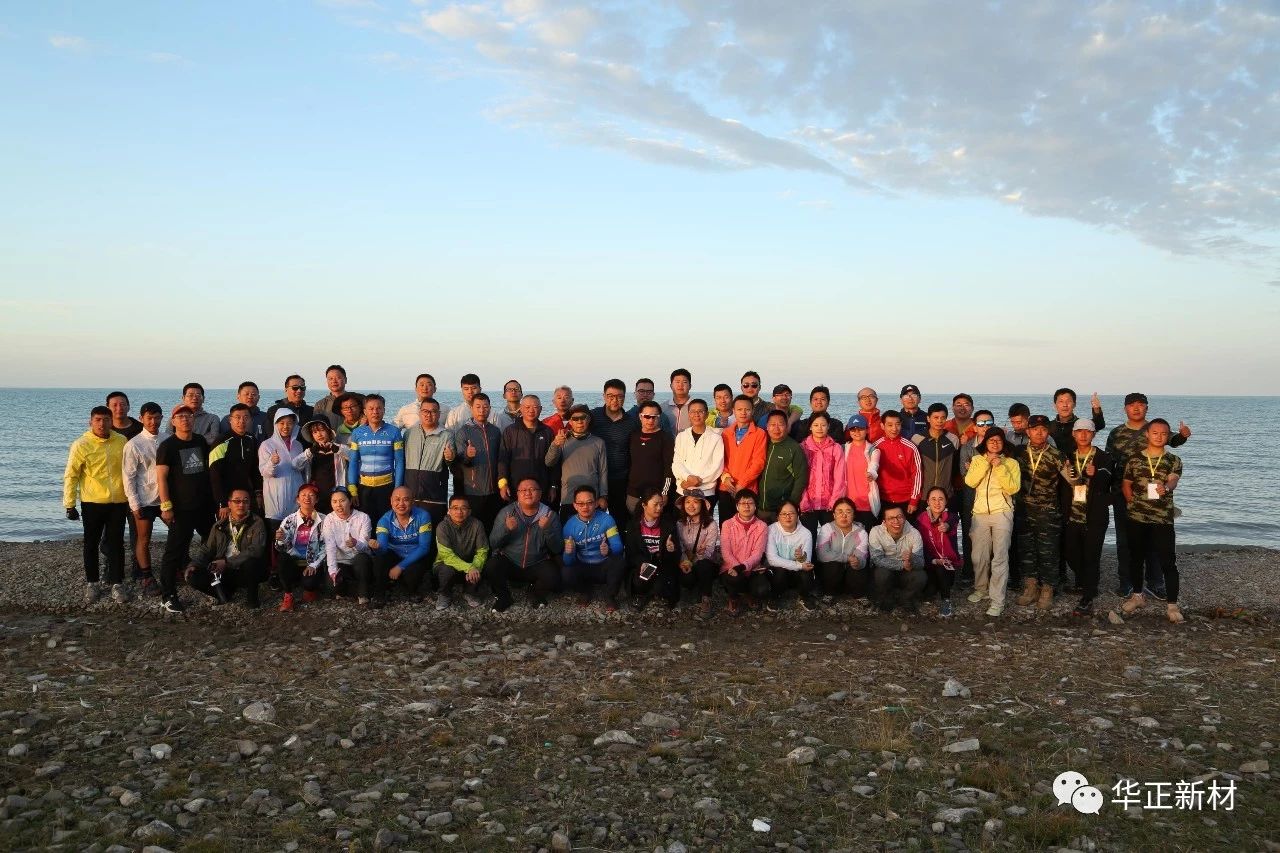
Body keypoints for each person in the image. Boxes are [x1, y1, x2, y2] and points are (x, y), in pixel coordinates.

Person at [1105, 392, 1191, 598]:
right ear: (1125, 408)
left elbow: (1174, 440)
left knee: (1154, 542)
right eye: (1131, 405)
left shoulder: (1155, 428)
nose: (1136, 408)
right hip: (1124, 493)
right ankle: (1126, 583)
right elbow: (1109, 462)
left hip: (1155, 497)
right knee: (1125, 541)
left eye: (1141, 404)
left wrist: (1183, 435)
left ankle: (1155, 583)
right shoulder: (1116, 433)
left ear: (1147, 408)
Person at [1119, 419, 1186, 624]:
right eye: (1155, 433)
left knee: (1168, 561)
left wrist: (1166, 487)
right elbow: (1126, 483)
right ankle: (1137, 596)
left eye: (1164, 433)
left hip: (1162, 518)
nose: (1159, 437)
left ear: (1168, 436)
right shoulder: (1134, 459)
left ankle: (1172, 605)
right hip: (1137, 517)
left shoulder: (1173, 459)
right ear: (1147, 434)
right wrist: (1131, 503)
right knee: (1136, 558)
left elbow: (1173, 480)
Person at [64, 406, 130, 605]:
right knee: (91, 543)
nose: (102, 424)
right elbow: (71, 475)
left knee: (116, 543)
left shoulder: (121, 441)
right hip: (92, 502)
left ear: (112, 422)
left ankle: (117, 583)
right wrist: (69, 504)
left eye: (106, 420)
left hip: (118, 502)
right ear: (91, 422)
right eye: (98, 420)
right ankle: (92, 583)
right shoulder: (81, 444)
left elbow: (129, 470)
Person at [155, 405, 216, 614]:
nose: (185, 419)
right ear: (173, 421)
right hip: (181, 508)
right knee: (174, 551)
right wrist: (166, 506)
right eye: (180, 416)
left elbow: (207, 470)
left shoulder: (200, 441)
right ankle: (168, 595)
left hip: (203, 506)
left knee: (212, 542)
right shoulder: (167, 446)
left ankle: (209, 583)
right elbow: (161, 478)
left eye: (188, 416)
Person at [1058, 419, 1114, 616]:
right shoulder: (1067, 456)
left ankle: (1088, 595)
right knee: (1070, 553)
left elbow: (1110, 480)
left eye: (1088, 431)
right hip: (1072, 515)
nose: (1083, 435)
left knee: (1091, 556)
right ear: (1073, 434)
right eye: (1079, 431)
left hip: (1094, 516)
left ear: (1094, 434)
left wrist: (1096, 474)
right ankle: (1085, 582)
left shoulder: (1104, 457)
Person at [963, 427, 1021, 617]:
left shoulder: (1011, 463)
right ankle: (981, 588)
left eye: (998, 440)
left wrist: (999, 467)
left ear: (1004, 443)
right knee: (978, 556)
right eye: (991, 440)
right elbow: (970, 482)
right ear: (985, 443)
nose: (995, 443)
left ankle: (998, 600)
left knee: (1000, 557)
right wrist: (986, 463)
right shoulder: (977, 460)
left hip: (1002, 513)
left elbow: (1013, 488)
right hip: (980, 514)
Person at [487, 479, 563, 611]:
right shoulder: (506, 512)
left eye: (532, 489)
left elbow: (557, 548)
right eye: (523, 490)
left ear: (540, 494)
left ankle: (535, 592)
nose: (527, 493)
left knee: (553, 577)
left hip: (536, 561)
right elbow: (493, 543)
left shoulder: (550, 515)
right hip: (510, 561)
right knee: (491, 566)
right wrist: (506, 529)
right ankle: (504, 597)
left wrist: (548, 530)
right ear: (517, 494)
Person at [184, 488, 268, 608]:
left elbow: (256, 549)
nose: (241, 505)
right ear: (229, 504)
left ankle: (252, 599)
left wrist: (227, 562)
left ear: (249, 504)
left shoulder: (256, 522)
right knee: (192, 575)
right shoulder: (219, 525)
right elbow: (207, 549)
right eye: (237, 501)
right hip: (223, 570)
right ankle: (223, 593)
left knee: (251, 562)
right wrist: (193, 564)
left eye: (245, 501)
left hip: (243, 569)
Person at [1015, 415, 1065, 610]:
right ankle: (1031, 587)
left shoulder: (1057, 455)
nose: (1039, 433)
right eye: (1035, 429)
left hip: (1048, 511)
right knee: (1026, 549)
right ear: (1028, 431)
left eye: (1043, 429)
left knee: (1048, 551)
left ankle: (1047, 589)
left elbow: (1073, 480)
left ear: (1048, 432)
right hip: (1023, 509)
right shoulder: (1019, 453)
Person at [560, 485, 626, 609]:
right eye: (580, 504)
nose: (585, 507)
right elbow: (568, 562)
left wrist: (609, 550)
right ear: (575, 505)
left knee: (619, 561)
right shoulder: (569, 526)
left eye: (589, 503)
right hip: (583, 565)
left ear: (596, 503)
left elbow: (618, 546)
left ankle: (610, 596)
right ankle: (585, 591)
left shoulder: (607, 520)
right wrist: (569, 553)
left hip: (603, 565)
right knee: (566, 572)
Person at [122, 401, 164, 595]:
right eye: (149, 418)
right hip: (144, 498)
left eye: (157, 417)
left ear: (162, 418)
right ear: (141, 419)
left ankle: (178, 566)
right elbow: (128, 476)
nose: (153, 422)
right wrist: (134, 503)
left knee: (179, 531)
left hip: (165, 498)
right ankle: (147, 576)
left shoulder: (167, 438)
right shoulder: (134, 444)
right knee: (143, 538)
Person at [368, 486, 434, 605]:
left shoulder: (423, 516)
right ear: (391, 501)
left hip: (415, 554)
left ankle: (412, 590)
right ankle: (380, 593)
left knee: (413, 573)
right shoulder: (384, 520)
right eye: (397, 499)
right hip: (394, 554)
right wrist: (376, 548)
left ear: (412, 501)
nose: (401, 504)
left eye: (406, 499)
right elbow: (383, 549)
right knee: (379, 560)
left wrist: (400, 566)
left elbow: (424, 548)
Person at [347, 394, 405, 525]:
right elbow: (353, 461)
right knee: (365, 524)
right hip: (364, 488)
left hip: (387, 487)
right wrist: (352, 488)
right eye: (371, 408)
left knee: (386, 523)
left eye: (379, 408)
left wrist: (397, 489)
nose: (375, 412)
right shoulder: (357, 433)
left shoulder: (394, 432)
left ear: (384, 410)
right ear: (364, 411)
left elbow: (400, 462)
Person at [545, 404, 609, 521]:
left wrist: (603, 496)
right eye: (575, 418)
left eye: (583, 418)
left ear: (588, 419)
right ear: (570, 421)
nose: (579, 421)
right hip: (569, 498)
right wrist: (555, 444)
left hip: (592, 499)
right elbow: (549, 462)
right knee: (568, 531)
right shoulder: (562, 440)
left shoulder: (599, 443)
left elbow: (603, 471)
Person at [591, 379, 640, 530]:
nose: (615, 400)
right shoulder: (593, 416)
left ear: (624, 398)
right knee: (594, 519)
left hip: (620, 478)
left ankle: (619, 545)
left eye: (619, 396)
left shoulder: (631, 422)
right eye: (610, 396)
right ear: (604, 396)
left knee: (620, 520)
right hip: (595, 477)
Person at [453, 393, 505, 532]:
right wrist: (468, 455)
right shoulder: (463, 432)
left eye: (485, 406)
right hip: (473, 491)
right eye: (478, 406)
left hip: (494, 490)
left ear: (490, 408)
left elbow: (501, 459)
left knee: (493, 527)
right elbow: (460, 461)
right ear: (471, 408)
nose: (482, 410)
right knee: (474, 529)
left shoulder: (495, 431)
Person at [402, 398, 454, 532]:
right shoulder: (409, 433)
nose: (429, 415)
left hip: (434, 496)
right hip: (410, 493)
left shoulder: (446, 435)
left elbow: (451, 463)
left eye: (433, 411)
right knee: (410, 531)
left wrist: (450, 457)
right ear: (420, 413)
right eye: (425, 411)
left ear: (439, 414)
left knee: (433, 531)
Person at [624, 488, 680, 610]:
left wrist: (670, 550)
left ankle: (652, 593)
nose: (659, 508)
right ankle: (645, 594)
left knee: (661, 585)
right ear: (644, 505)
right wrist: (642, 562)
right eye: (655, 504)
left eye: (661, 504)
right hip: (646, 564)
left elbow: (676, 557)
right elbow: (630, 554)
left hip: (662, 564)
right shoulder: (633, 525)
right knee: (640, 581)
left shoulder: (668, 524)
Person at [259, 409, 310, 539]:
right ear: (275, 424)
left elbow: (301, 470)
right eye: (281, 423)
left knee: (296, 538)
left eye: (289, 423)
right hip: (276, 500)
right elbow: (264, 472)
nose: (286, 426)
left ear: (294, 425)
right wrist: (272, 462)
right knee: (278, 539)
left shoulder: (298, 445)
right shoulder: (267, 445)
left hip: (296, 499)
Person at [718, 489, 769, 616]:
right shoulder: (727, 524)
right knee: (734, 578)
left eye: (750, 503)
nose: (746, 506)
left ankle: (748, 594)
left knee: (762, 590)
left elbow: (758, 554)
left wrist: (743, 567)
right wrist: (737, 567)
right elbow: (726, 552)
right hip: (731, 568)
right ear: (737, 506)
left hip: (752, 568)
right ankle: (733, 598)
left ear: (755, 506)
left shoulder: (762, 526)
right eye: (742, 503)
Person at [434, 495, 489, 610]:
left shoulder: (477, 525)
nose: (459, 512)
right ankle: (444, 594)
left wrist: (474, 567)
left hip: (469, 563)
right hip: (445, 565)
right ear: (449, 511)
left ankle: (469, 592)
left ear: (469, 511)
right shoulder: (442, 527)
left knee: (482, 563)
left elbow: (482, 550)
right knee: (446, 570)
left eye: (464, 508)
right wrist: (469, 568)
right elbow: (447, 556)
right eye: (455, 508)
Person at [718, 395, 767, 523]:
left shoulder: (759, 434)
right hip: (726, 487)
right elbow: (720, 459)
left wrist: (742, 484)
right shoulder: (726, 433)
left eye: (747, 409)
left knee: (747, 525)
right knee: (726, 526)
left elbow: (759, 463)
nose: (743, 413)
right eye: (739, 409)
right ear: (733, 411)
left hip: (748, 489)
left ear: (753, 410)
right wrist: (725, 477)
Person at [209, 404, 264, 518]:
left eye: (246, 417)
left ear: (251, 420)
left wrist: (258, 493)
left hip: (247, 495)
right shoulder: (221, 441)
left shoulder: (251, 439)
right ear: (230, 420)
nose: (242, 421)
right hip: (227, 497)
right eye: (237, 417)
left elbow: (255, 469)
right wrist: (222, 503)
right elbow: (214, 474)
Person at [868, 506, 926, 612]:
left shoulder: (914, 533)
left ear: (904, 518)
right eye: (891, 518)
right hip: (886, 570)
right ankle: (886, 598)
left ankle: (905, 598)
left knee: (921, 576)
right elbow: (877, 559)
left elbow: (921, 562)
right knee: (881, 574)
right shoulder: (876, 531)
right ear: (884, 522)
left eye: (899, 517)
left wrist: (912, 559)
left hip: (906, 572)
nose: (896, 521)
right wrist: (901, 565)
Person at [321, 488, 373, 605]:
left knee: (362, 559)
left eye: (342, 501)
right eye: (334, 501)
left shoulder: (363, 517)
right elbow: (330, 547)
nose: (338, 505)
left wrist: (355, 543)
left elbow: (365, 545)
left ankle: (363, 593)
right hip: (341, 561)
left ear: (350, 501)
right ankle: (349, 588)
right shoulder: (329, 519)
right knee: (331, 587)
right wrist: (333, 571)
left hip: (359, 559)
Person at [498, 394, 555, 502]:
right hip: (516, 488)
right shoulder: (510, 431)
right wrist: (503, 484)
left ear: (541, 409)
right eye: (527, 407)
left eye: (535, 407)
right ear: (521, 408)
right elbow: (503, 460)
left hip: (542, 487)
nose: (531, 410)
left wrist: (553, 486)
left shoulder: (547, 432)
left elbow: (554, 463)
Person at [914, 486, 960, 617]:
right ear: (927, 502)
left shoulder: (950, 517)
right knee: (928, 593)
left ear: (946, 501)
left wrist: (947, 526)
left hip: (946, 565)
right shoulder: (921, 519)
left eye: (941, 499)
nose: (937, 502)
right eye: (933, 499)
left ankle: (946, 601)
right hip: (929, 562)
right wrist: (932, 560)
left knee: (941, 569)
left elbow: (954, 520)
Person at [765, 500, 817, 611]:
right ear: (778, 516)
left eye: (791, 513)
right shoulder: (771, 530)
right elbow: (772, 559)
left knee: (807, 572)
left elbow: (806, 562)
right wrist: (798, 565)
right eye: (783, 514)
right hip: (778, 572)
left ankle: (804, 596)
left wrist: (801, 558)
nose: (788, 517)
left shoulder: (805, 533)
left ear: (798, 515)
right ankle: (775, 596)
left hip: (796, 574)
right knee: (780, 571)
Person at [758, 410, 808, 524]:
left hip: (781, 510)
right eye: (772, 424)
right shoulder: (762, 444)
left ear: (786, 426)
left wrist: (791, 504)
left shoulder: (794, 448)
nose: (776, 428)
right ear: (767, 426)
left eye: (780, 424)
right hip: (760, 508)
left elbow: (801, 478)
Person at [815, 497, 869, 602]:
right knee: (832, 565)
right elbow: (822, 554)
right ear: (834, 515)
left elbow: (862, 557)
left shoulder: (861, 532)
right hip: (832, 573)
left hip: (850, 574)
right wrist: (847, 558)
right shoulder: (827, 528)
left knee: (859, 567)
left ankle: (858, 595)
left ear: (854, 515)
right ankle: (829, 593)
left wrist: (857, 562)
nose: (844, 515)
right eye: (840, 512)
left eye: (848, 512)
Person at [675, 494, 720, 618]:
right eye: (687, 502)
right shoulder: (679, 524)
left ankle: (706, 599)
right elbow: (680, 548)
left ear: (702, 505)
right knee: (686, 578)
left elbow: (709, 551)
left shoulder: (711, 524)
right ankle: (690, 590)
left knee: (704, 565)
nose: (691, 505)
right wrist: (685, 562)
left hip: (705, 562)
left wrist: (700, 554)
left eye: (695, 502)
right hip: (687, 562)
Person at [672, 398, 724, 503]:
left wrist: (696, 482)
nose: (696, 414)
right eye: (693, 411)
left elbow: (717, 467)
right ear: (688, 414)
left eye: (700, 411)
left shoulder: (716, 438)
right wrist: (687, 478)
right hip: (683, 490)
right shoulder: (681, 436)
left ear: (707, 414)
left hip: (706, 492)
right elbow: (677, 463)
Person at [627, 401, 675, 513]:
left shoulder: (666, 438)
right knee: (634, 522)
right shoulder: (633, 436)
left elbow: (669, 468)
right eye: (647, 416)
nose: (650, 420)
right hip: (633, 493)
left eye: (654, 417)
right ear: (640, 417)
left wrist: (665, 492)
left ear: (659, 417)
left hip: (656, 494)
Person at [873, 411, 922, 517]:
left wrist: (914, 500)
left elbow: (917, 475)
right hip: (882, 499)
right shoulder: (875, 446)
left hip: (906, 500)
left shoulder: (911, 447)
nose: (894, 428)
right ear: (882, 426)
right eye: (890, 425)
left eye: (897, 424)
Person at [913, 403, 960, 503]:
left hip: (946, 494)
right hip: (923, 495)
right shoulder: (917, 438)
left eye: (943, 418)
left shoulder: (953, 439)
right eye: (936, 417)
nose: (939, 421)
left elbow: (956, 466)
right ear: (928, 418)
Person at [842, 415, 882, 531]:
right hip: (847, 502)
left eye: (860, 428)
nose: (856, 432)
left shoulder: (873, 450)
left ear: (867, 430)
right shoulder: (843, 448)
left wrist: (871, 474)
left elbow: (874, 465)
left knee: (865, 536)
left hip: (866, 502)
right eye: (853, 429)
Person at [300, 418, 347, 498]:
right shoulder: (311, 452)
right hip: (316, 495)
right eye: (315, 432)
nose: (319, 435)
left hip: (336, 495)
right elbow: (295, 465)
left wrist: (338, 449)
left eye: (322, 430)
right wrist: (310, 451)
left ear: (329, 431)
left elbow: (353, 456)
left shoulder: (338, 448)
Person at [1049, 388, 1105, 453]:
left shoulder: (1082, 425)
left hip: (1078, 459)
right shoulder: (1047, 426)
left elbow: (1099, 424)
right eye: (1061, 401)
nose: (1065, 405)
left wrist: (1097, 409)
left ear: (1074, 404)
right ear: (1055, 405)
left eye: (1068, 401)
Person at [313, 364, 350, 429]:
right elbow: (317, 428)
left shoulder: (355, 400)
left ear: (345, 380)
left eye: (338, 378)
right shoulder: (320, 405)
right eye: (330, 379)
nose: (334, 381)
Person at [664, 368, 695, 434]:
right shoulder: (662, 408)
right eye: (677, 382)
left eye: (684, 382)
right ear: (671, 386)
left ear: (690, 386)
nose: (680, 385)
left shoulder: (696, 407)